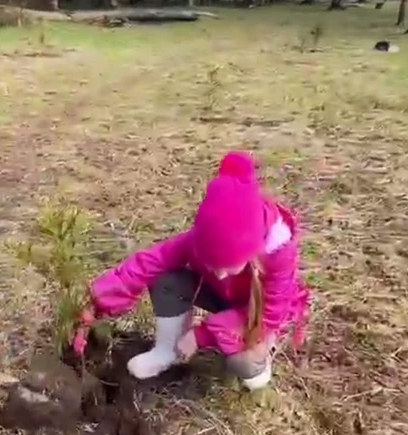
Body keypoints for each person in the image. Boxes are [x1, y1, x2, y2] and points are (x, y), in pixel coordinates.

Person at [78, 152, 311, 391]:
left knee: (246, 367)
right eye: (211, 265)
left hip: (258, 314)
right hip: (222, 298)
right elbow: (148, 262)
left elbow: (269, 315)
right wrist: (98, 300)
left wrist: (200, 336)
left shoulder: (278, 255)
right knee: (166, 280)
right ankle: (167, 351)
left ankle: (259, 360)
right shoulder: (200, 241)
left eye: (228, 266)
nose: (219, 274)